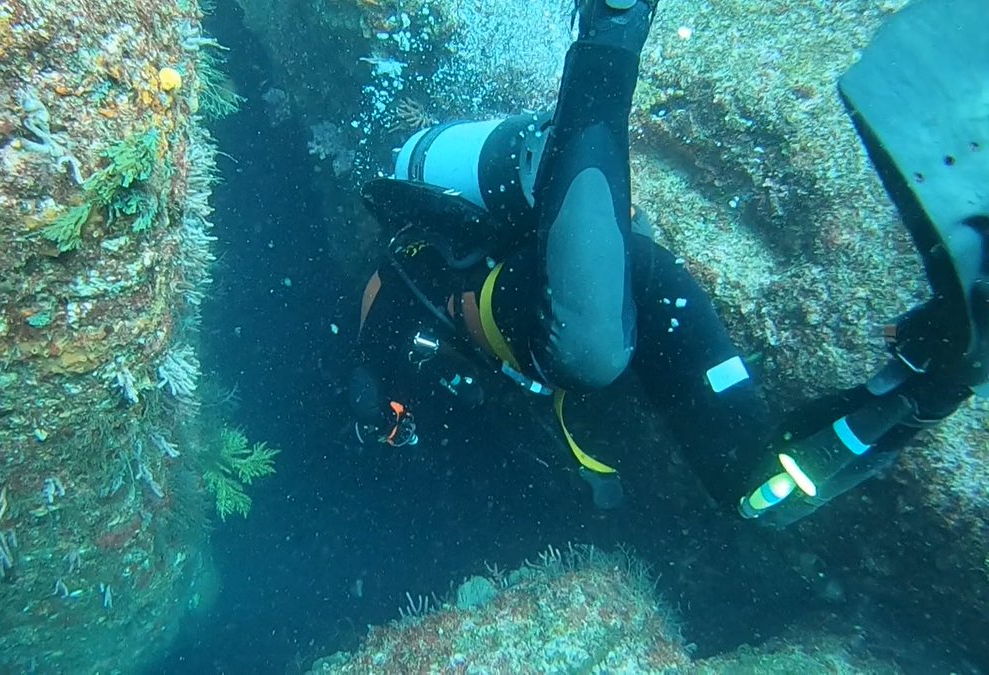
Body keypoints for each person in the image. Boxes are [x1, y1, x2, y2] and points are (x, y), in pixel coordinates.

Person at [347, 0, 987, 526]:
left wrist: (380, 413)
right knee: (757, 494)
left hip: (570, 291)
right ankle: (938, 374)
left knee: (585, 354)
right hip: (641, 292)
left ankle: (612, 27)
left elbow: (374, 354)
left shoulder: (403, 260)